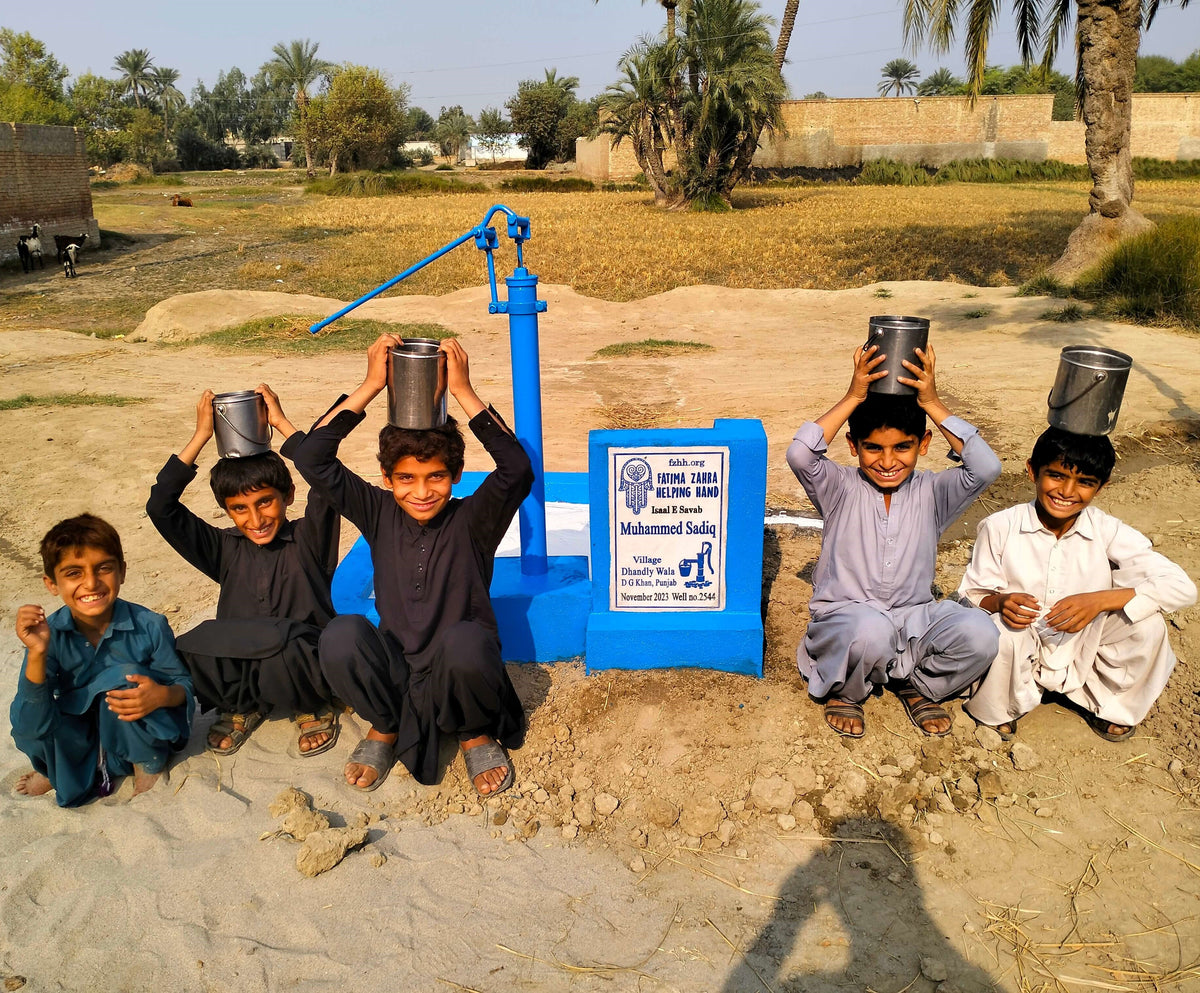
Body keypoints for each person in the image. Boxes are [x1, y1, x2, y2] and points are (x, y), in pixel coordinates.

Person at [291, 336, 531, 795]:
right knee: (341, 634)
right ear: (387, 478)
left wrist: (462, 390)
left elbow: (517, 469)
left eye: (435, 476)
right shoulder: (378, 510)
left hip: (462, 668)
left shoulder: (474, 520)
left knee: (464, 640)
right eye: (406, 478)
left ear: (456, 476)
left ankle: (474, 732)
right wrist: (371, 384)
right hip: (399, 665)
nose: (421, 492)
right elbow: (310, 457)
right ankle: (385, 724)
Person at [786, 342, 1002, 737]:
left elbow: (986, 466)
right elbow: (801, 454)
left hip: (912, 620)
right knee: (869, 631)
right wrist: (854, 395)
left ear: (923, 445)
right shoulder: (839, 486)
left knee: (981, 634)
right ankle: (846, 691)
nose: (888, 462)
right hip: (847, 621)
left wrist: (932, 402)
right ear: (854, 446)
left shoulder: (934, 492)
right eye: (874, 448)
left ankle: (915, 685)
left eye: (902, 447)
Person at [958, 426, 1196, 740]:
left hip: (1080, 643)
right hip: (1023, 638)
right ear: (1032, 471)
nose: (1067, 492)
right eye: (1056, 475)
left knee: (1147, 626)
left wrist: (1100, 600)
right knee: (1001, 632)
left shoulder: (1107, 530)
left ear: (1101, 486)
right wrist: (1001, 603)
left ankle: (1107, 704)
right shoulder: (1000, 526)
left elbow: (1182, 587)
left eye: (1085, 482)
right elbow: (973, 593)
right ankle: (1000, 707)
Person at [146, 385, 340, 757]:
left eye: (265, 502)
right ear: (227, 509)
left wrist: (281, 423)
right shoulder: (222, 548)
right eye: (240, 508)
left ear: (288, 496)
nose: (256, 519)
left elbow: (326, 480)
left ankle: (311, 708)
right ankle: (241, 706)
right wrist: (202, 435)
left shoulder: (310, 537)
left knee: (290, 645)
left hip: (301, 667)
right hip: (246, 670)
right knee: (191, 646)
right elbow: (161, 507)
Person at [11, 514, 194, 806]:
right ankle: (58, 769)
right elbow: (30, 725)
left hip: (133, 729)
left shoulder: (150, 625)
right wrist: (37, 652)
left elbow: (182, 684)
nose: (91, 583)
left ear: (121, 572)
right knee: (30, 720)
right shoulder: (51, 635)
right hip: (82, 735)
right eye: (74, 573)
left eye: (103, 569)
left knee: (126, 678)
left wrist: (161, 695)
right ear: (51, 583)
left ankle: (144, 764)